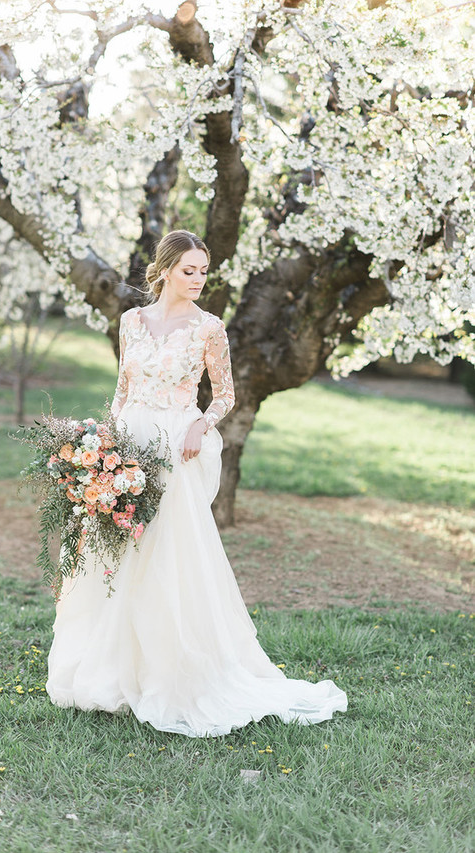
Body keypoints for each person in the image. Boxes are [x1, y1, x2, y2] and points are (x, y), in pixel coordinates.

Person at [46, 229, 347, 737]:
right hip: (130, 441)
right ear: (164, 270)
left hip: (173, 445)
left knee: (166, 556)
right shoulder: (130, 322)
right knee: (114, 553)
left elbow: (225, 396)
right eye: (189, 270)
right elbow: (121, 390)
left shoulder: (209, 328)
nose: (198, 279)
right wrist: (107, 447)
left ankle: (172, 672)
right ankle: (113, 670)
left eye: (203, 271)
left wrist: (199, 424)